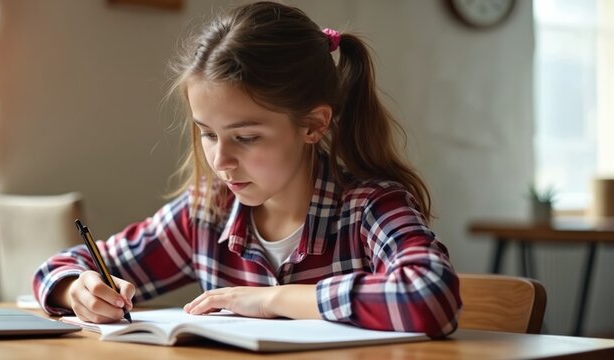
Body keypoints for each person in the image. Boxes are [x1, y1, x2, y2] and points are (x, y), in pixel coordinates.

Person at [32, 1, 461, 338]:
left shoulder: (369, 208)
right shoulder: (206, 214)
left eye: (247, 137)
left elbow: (430, 296)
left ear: (313, 125)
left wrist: (277, 299)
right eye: (208, 134)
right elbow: (58, 267)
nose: (220, 161)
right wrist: (78, 289)